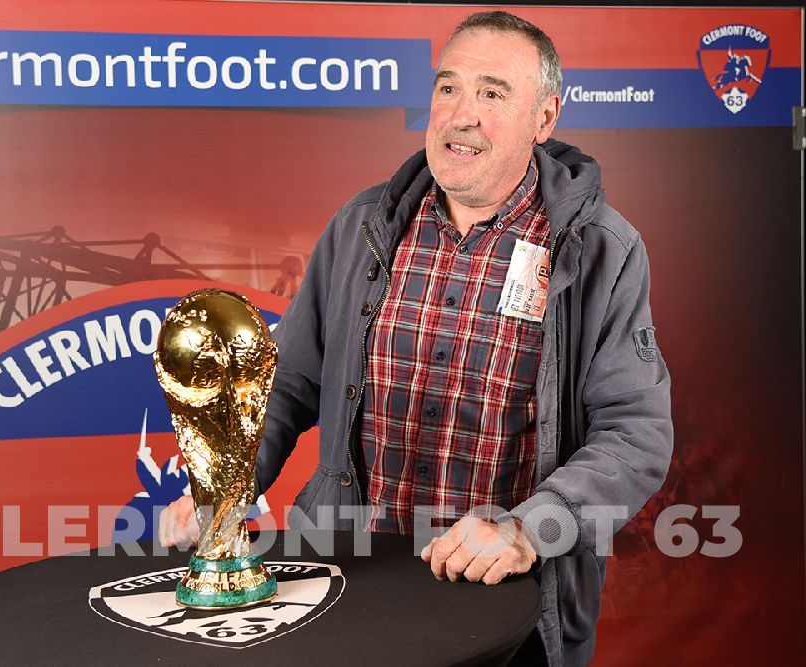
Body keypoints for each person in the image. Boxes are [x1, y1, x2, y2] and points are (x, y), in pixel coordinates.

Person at [160, 11, 672, 666]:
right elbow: (285, 382)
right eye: (448, 87)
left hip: (507, 608)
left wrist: (528, 529)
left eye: (492, 93)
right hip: (344, 586)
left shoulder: (600, 251)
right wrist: (227, 491)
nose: (461, 114)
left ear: (545, 119)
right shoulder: (361, 228)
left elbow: (635, 434)